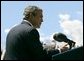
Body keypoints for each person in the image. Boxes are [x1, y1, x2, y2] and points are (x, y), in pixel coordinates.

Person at [3, 6, 68, 60]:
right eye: (40, 17)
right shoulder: (31, 31)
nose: (42, 20)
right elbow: (41, 56)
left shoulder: (12, 30)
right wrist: (60, 50)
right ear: (31, 15)